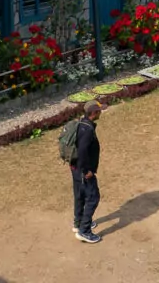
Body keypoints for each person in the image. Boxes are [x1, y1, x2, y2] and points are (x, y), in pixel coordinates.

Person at [72, 100, 104, 243]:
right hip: (83, 170)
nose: (101, 112)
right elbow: (83, 151)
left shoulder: (81, 124)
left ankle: (78, 222)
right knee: (93, 197)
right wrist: (87, 171)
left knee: (80, 195)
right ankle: (84, 231)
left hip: (75, 168)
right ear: (93, 113)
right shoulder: (88, 130)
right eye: (99, 110)